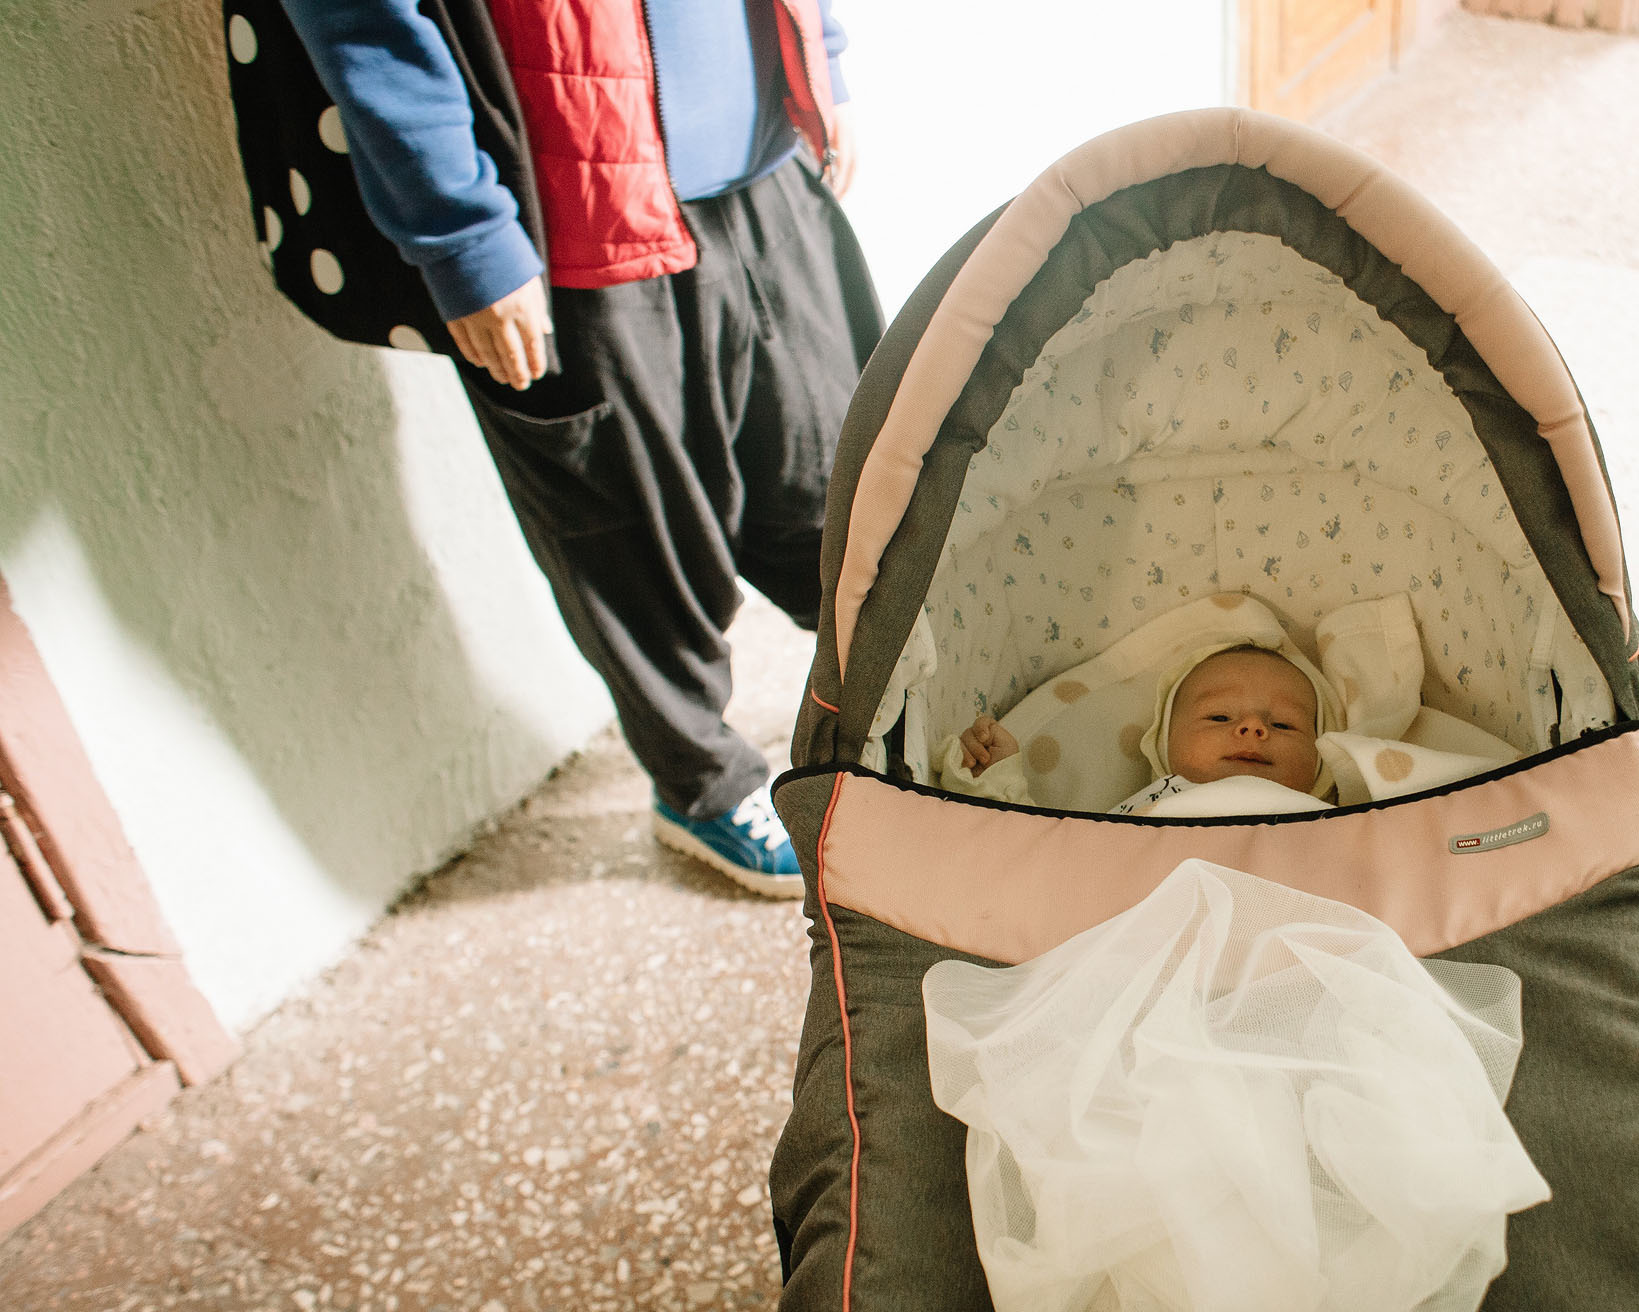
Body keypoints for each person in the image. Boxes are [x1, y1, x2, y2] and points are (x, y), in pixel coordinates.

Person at [279, 0, 881, 898]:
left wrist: (819, 60)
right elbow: (365, 17)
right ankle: (702, 787)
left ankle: (889, 711)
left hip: (760, 155)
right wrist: (464, 233)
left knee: (843, 482)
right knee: (639, 546)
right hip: (573, 218)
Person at [957, 645, 1332, 816]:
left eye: (1283, 723)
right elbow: (1047, 861)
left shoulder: (1336, 819)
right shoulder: (1151, 804)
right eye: (1219, 718)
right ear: (1164, 743)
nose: (1253, 727)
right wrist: (997, 773)